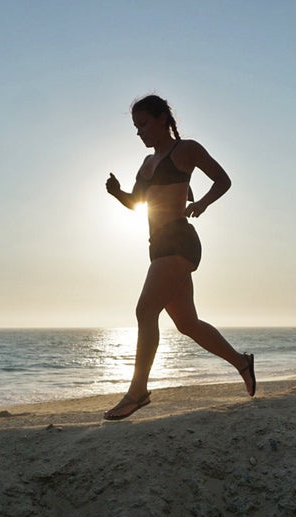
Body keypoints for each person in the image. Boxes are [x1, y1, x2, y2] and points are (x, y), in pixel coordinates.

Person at [103, 95, 256, 420]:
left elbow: (223, 179)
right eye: (136, 127)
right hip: (157, 246)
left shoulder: (185, 150)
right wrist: (117, 193)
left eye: (143, 124)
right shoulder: (145, 165)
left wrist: (201, 203)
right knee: (187, 323)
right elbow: (137, 204)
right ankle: (242, 362)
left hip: (179, 241)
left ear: (162, 119)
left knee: (145, 310)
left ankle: (138, 392)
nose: (140, 132)